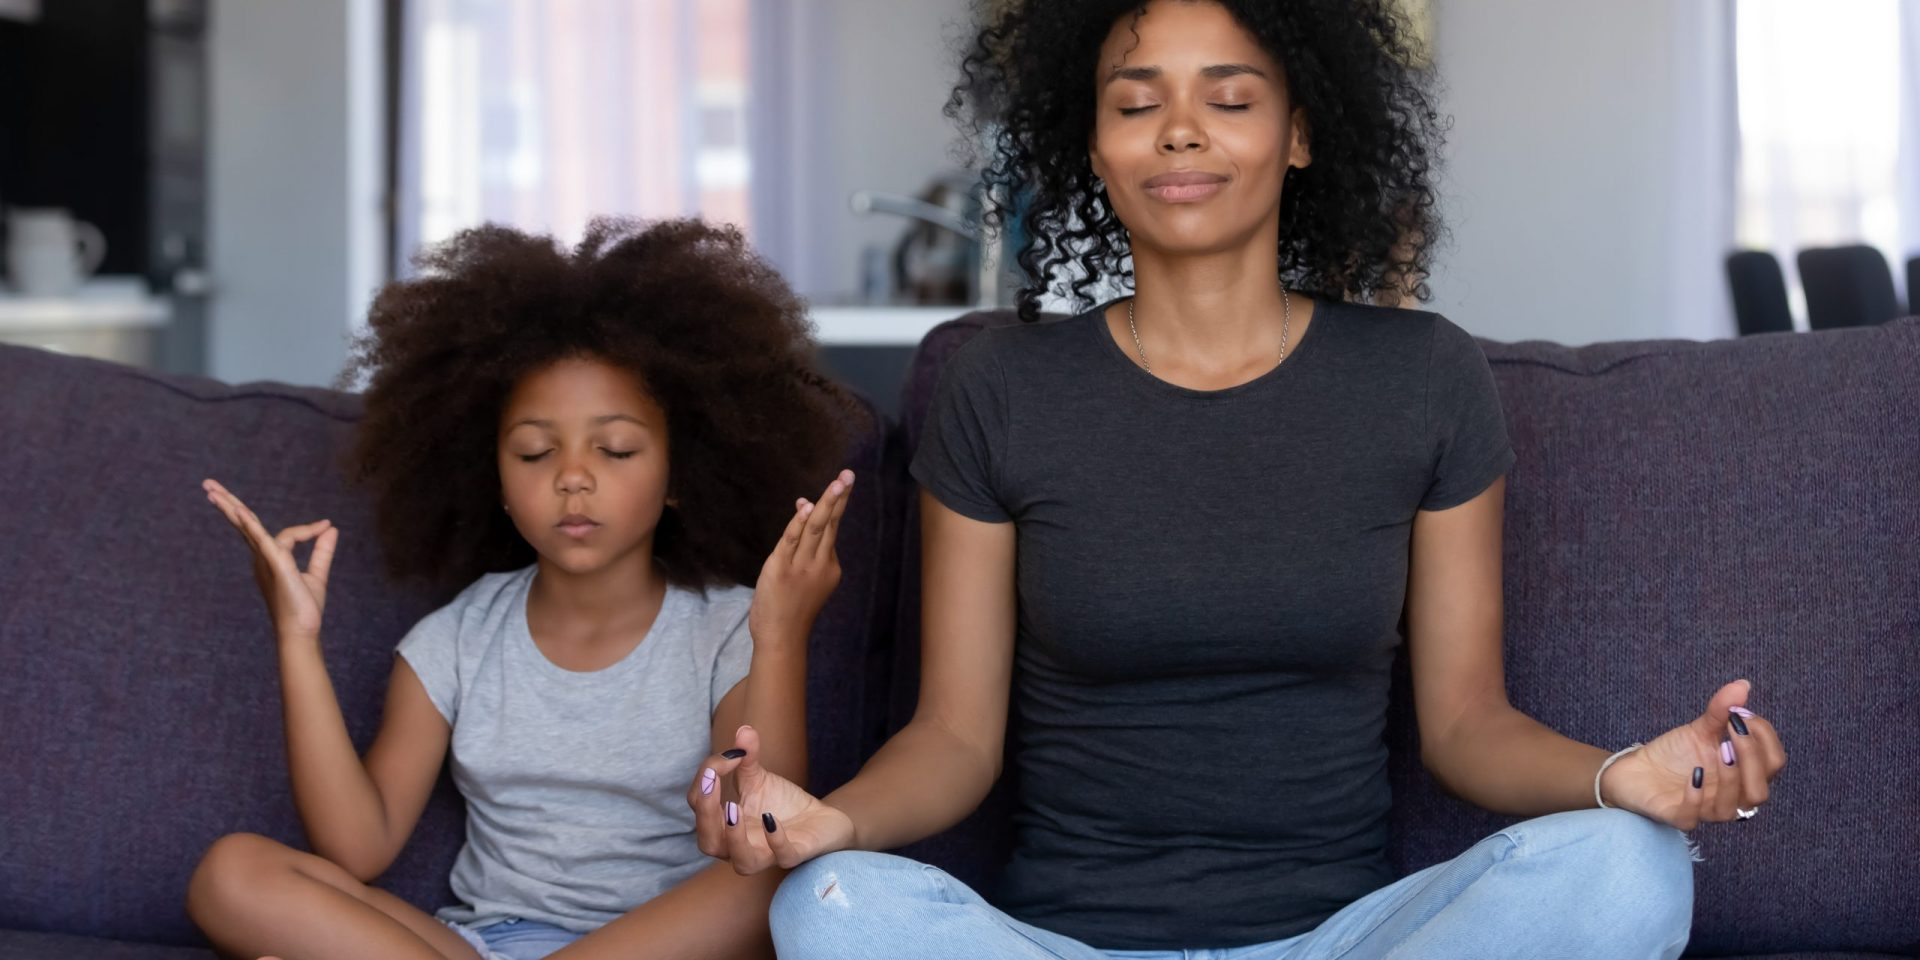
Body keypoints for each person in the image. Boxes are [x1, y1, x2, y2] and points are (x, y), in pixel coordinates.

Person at [689, 4, 1788, 959]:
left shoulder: (1423, 376)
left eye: (1229, 96)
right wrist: (836, 825)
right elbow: (954, 741)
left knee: (1633, 871)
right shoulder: (1002, 388)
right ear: (1093, 143)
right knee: (831, 907)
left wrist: (1626, 779)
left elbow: (1466, 725)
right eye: (1135, 102)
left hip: (1345, 939)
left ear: (1300, 131)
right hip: (1061, 939)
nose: (1179, 130)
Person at [186, 218, 855, 960]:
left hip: (666, 945)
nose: (573, 475)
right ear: (496, 483)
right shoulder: (457, 640)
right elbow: (356, 848)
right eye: (536, 452)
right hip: (480, 944)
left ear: (678, 476)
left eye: (617, 448)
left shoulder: (731, 628)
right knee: (232, 873)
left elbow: (754, 829)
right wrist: (295, 637)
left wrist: (782, 635)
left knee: (765, 880)